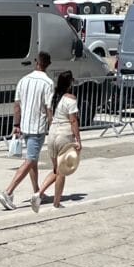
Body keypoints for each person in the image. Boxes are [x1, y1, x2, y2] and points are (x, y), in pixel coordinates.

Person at [0, 50, 53, 213]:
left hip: (25, 125)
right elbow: (48, 108)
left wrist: (16, 124)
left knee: (33, 160)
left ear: (36, 62)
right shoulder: (48, 83)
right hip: (37, 126)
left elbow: (17, 104)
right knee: (30, 160)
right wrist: (53, 125)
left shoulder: (23, 80)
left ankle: (37, 191)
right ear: (48, 64)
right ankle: (8, 191)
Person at [37, 70, 82, 210]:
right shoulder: (70, 99)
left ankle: (38, 193)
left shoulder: (52, 97)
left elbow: (49, 118)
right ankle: (56, 202)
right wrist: (78, 139)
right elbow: (73, 120)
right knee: (62, 171)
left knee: (56, 169)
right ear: (70, 83)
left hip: (52, 134)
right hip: (64, 134)